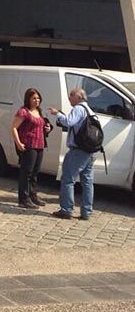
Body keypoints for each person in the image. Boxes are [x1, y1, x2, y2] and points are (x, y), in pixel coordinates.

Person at [48, 87, 96, 220]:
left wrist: (57, 114)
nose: (69, 97)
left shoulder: (78, 109)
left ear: (79, 97)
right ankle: (86, 212)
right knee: (87, 182)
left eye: (72, 95)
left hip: (78, 151)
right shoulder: (90, 110)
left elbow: (69, 122)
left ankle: (66, 210)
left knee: (68, 180)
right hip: (90, 151)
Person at [10, 88, 51, 209]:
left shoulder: (38, 111)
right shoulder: (23, 111)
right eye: (34, 98)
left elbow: (40, 127)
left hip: (40, 145)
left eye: (38, 98)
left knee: (35, 172)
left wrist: (47, 129)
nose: (36, 100)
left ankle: (33, 195)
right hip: (29, 145)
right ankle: (24, 198)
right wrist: (18, 143)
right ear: (28, 99)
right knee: (26, 172)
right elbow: (13, 127)